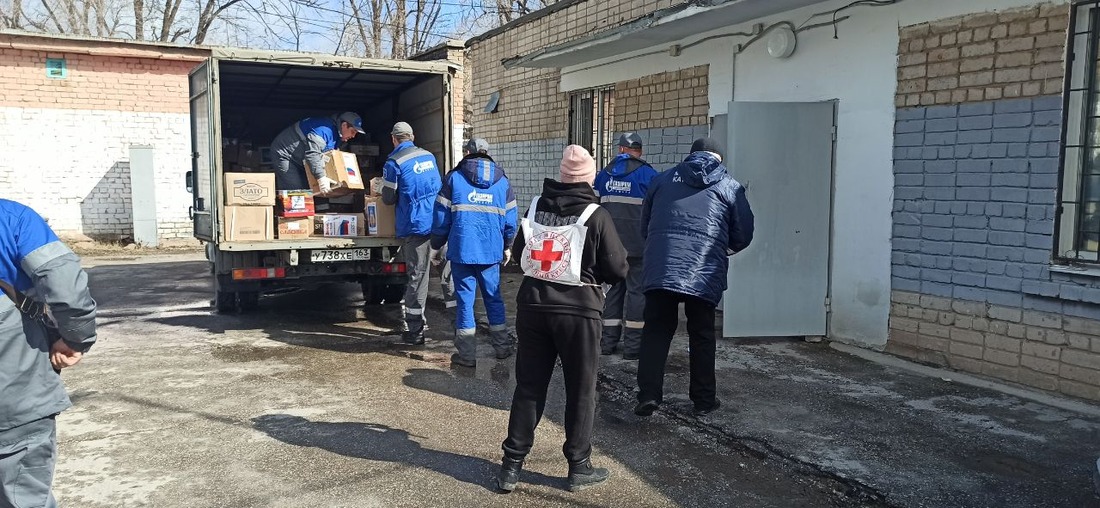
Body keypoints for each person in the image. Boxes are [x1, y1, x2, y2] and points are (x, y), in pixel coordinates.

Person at [496, 145, 628, 493]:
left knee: (529, 386)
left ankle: (511, 465)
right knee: (580, 390)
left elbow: (523, 252)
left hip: (533, 306)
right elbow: (617, 268)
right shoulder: (596, 215)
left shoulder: (537, 205)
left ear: (561, 174)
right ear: (590, 177)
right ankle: (578, 466)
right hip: (578, 313)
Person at [634, 137, 754, 418]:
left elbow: (646, 225)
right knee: (701, 334)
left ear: (691, 156)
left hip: (661, 267)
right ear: (719, 159)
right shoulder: (729, 187)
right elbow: (744, 234)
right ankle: (703, 400)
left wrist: (659, 251)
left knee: (656, 331)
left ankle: (649, 395)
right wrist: (721, 250)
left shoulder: (661, 180)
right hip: (704, 270)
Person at [0, 199, 97, 508]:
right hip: (14, 393)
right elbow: (65, 284)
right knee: (23, 495)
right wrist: (76, 338)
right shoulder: (13, 218)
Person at [431, 138, 517, 367]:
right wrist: (507, 245)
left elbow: (441, 218)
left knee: (465, 302)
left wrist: (436, 245)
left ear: (467, 152)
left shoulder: (454, 178)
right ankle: (502, 348)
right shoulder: (503, 183)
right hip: (491, 252)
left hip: (462, 251)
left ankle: (467, 356)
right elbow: (511, 222)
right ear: (487, 153)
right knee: (494, 298)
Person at [593, 132, 658, 360]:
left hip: (609, 247)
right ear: (639, 151)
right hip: (639, 247)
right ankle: (633, 348)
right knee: (637, 294)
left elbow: (594, 208)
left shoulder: (603, 174)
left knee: (611, 292)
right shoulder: (650, 175)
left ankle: (607, 343)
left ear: (621, 149)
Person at [381, 122, 443, 345]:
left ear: (394, 139)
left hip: (415, 224)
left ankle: (415, 331)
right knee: (448, 275)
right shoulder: (429, 156)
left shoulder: (394, 162)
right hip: (437, 221)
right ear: (413, 136)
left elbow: (388, 198)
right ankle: (462, 331)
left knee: (418, 275)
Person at [269, 112, 366, 192]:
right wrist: (321, 177)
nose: (353, 136)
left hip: (301, 157)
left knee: (308, 189)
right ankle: (292, 214)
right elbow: (313, 154)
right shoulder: (324, 131)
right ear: (344, 125)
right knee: (295, 189)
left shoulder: (338, 137)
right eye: (353, 132)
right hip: (285, 153)